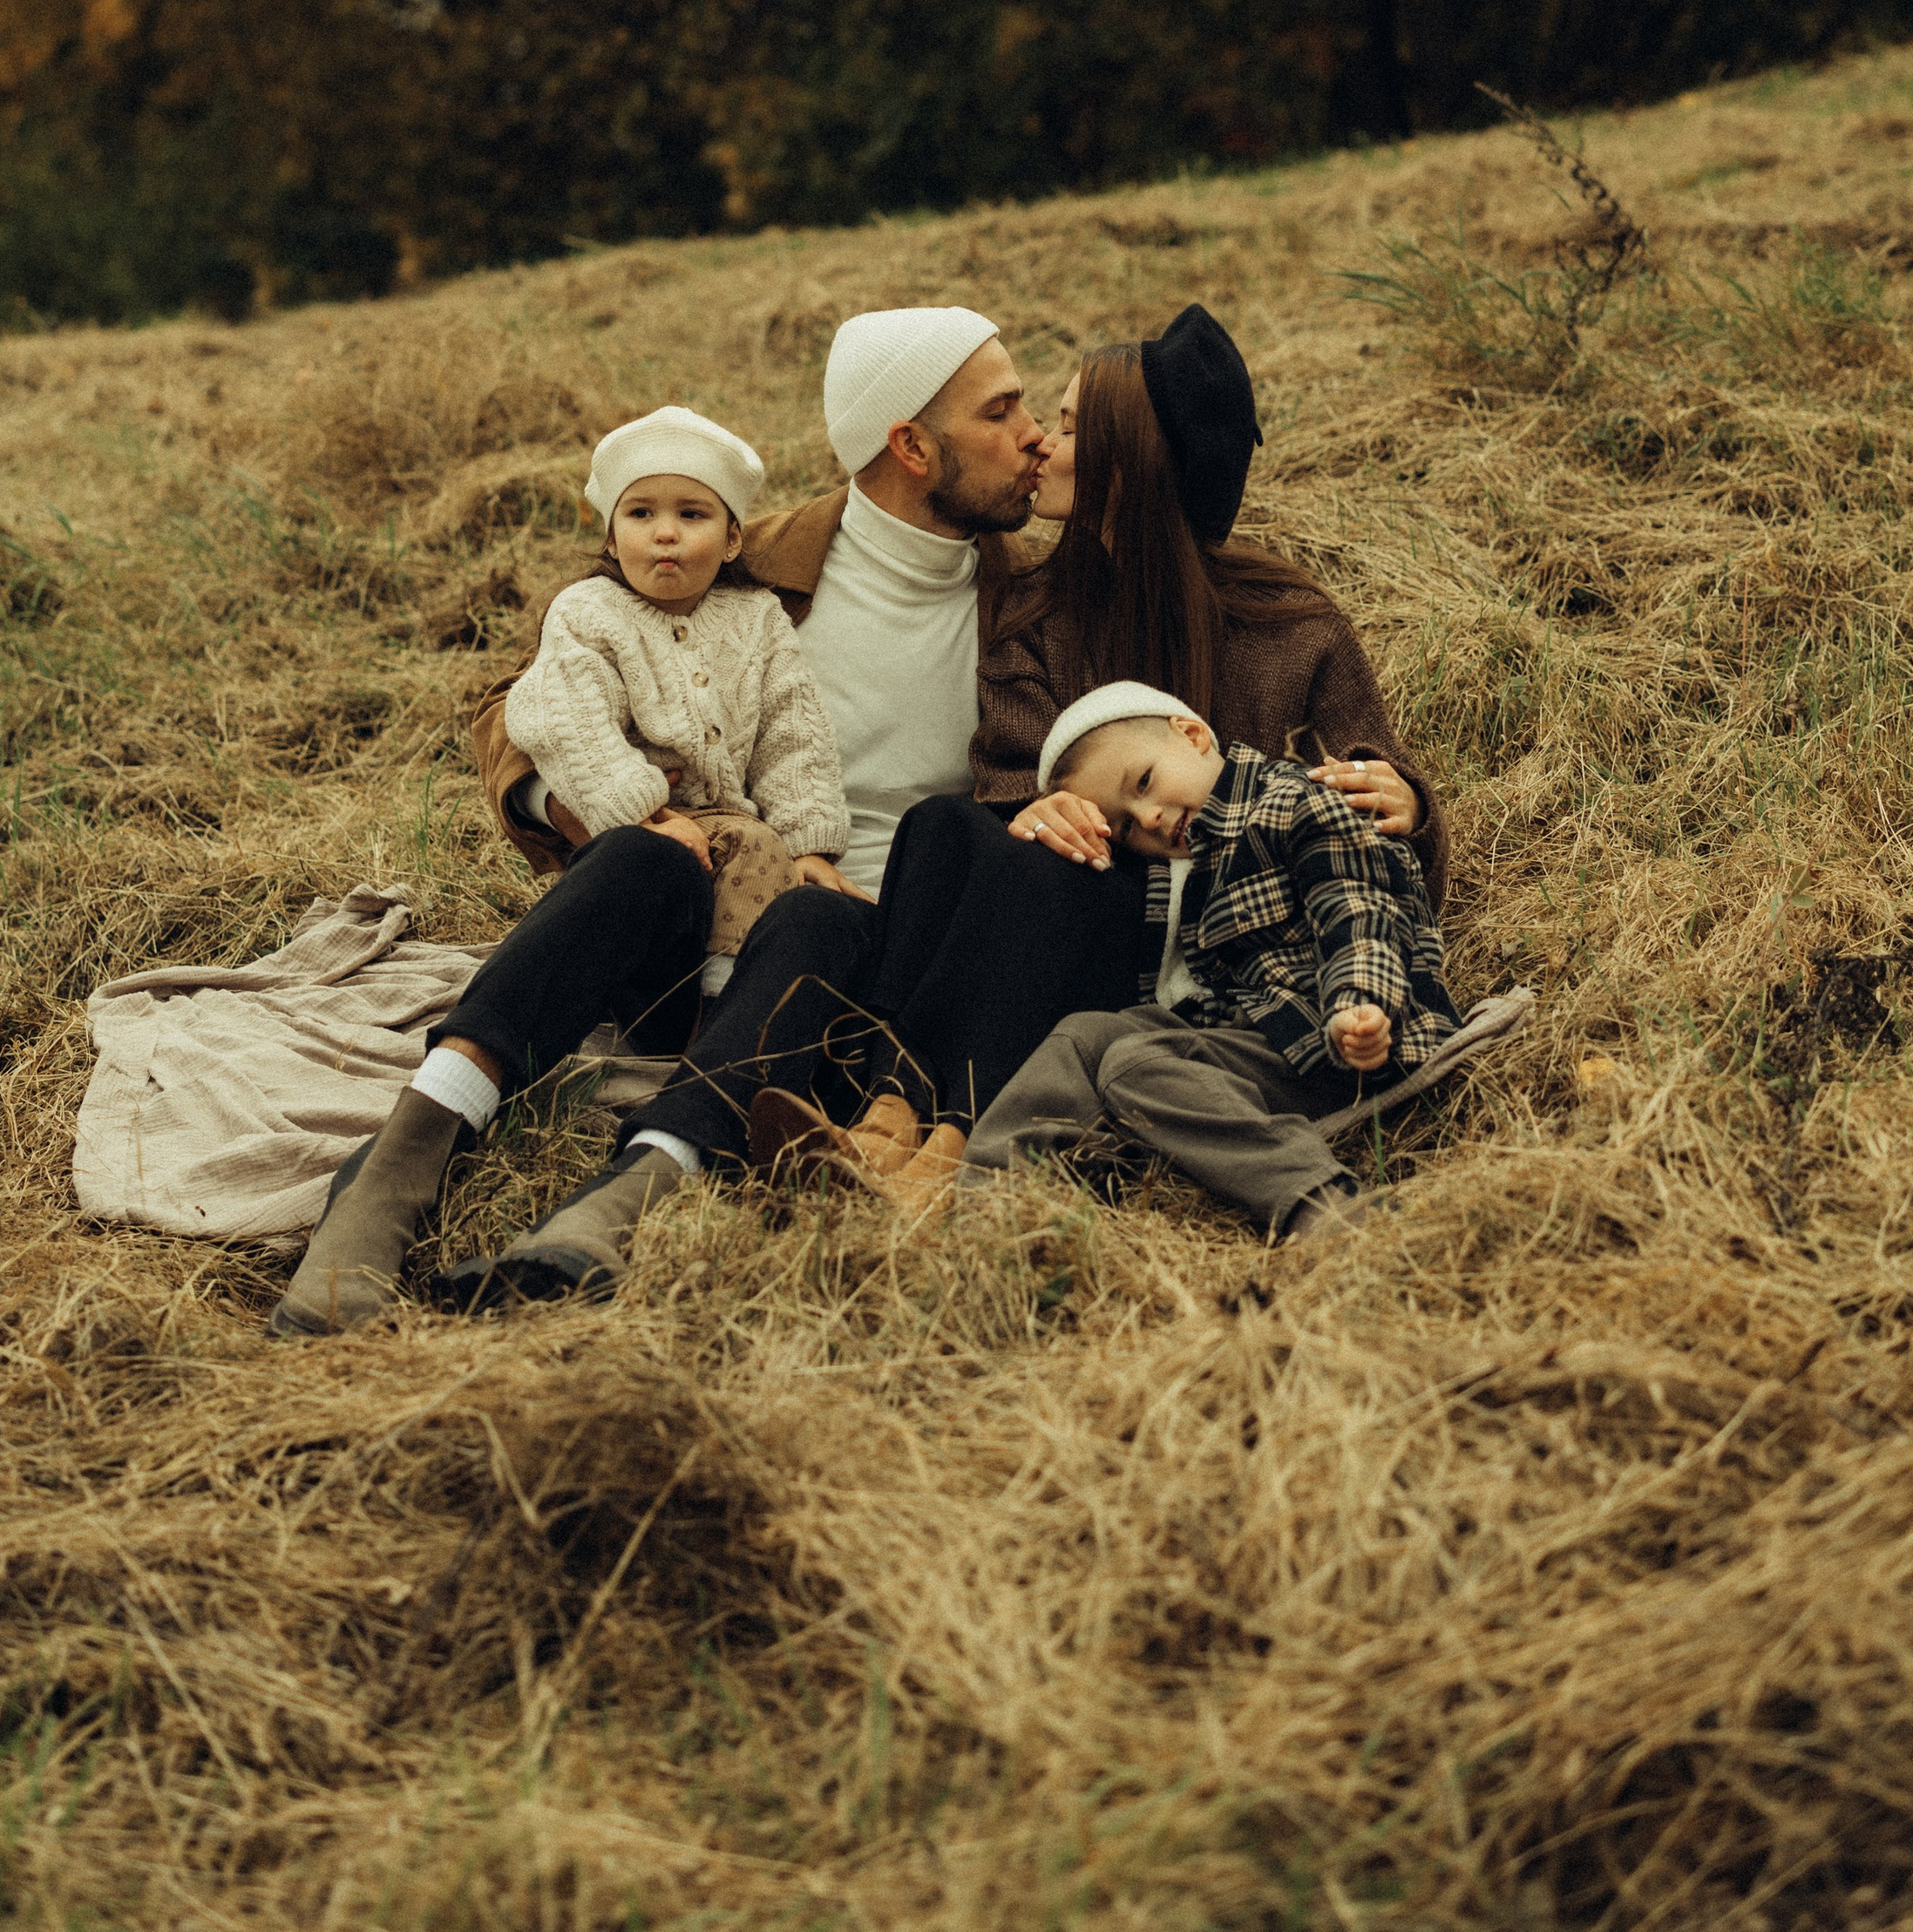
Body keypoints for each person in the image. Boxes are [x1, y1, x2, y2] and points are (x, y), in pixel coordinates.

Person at [417, 304, 1049, 1310]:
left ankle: (630, 1194)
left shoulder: (1036, 602)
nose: (1038, 434)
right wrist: (593, 807)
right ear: (912, 446)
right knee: (684, 880)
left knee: (817, 914)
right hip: (723, 915)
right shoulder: (751, 560)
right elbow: (520, 702)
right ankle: (426, 1150)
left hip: (894, 961)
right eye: (1006, 409)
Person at [751, 305, 1446, 1197]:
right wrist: (1034, 805)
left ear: (1132, 458)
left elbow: (1378, 846)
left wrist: (1412, 805)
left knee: (1045, 876)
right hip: (1054, 912)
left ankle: (940, 1141)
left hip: (1209, 946)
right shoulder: (1037, 614)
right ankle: (887, 1113)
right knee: (949, 826)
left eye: (1072, 425)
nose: (1040, 440)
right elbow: (1003, 773)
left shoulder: (1289, 627)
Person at [271, 404, 846, 1335]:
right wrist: (640, 809)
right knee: (640, 859)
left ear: (733, 533)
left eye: (694, 517)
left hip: (787, 896)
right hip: (657, 866)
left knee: (792, 890)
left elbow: (794, 736)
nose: (667, 534)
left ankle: (661, 1139)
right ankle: (400, 1161)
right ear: (608, 529)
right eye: (643, 514)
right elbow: (560, 716)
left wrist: (815, 841)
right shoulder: (588, 612)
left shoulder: (760, 622)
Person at [960, 681, 1462, 1241]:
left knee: (1135, 1063)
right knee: (1087, 1036)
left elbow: (1360, 909)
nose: (1147, 818)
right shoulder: (1199, 859)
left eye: (1144, 782)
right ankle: (987, 1201)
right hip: (1273, 1044)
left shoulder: (1299, 801)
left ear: (1193, 735)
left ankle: (1324, 1203)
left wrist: (1359, 1005)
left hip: (1351, 1042)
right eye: (1124, 825)